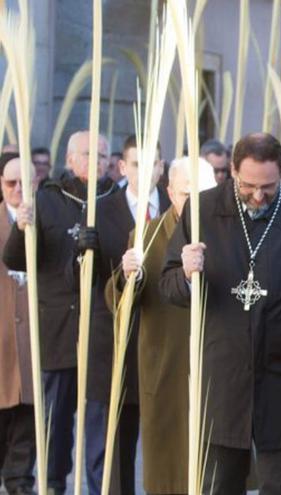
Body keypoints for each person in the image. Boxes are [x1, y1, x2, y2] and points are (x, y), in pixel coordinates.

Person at [160, 133, 281, 494]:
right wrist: (186, 272)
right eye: (248, 185)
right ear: (232, 171)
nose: (258, 195)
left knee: (279, 485)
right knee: (219, 485)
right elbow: (169, 287)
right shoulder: (202, 210)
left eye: (268, 186)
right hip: (222, 378)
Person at [2, 131, 116, 494]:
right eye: (88, 154)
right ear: (69, 159)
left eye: (102, 155)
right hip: (57, 329)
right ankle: (52, 485)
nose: (96, 162)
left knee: (98, 422)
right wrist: (23, 228)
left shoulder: (114, 201)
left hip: (100, 331)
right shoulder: (48, 200)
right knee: (53, 423)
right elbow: (17, 259)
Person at [105, 156, 214, 495]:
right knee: (168, 475)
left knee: (214, 474)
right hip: (165, 369)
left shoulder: (229, 237)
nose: (195, 204)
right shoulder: (146, 236)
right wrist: (127, 276)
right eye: (186, 194)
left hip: (215, 372)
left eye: (204, 194)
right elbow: (117, 302)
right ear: (169, 192)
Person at [85, 135, 171, 495]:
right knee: (117, 443)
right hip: (115, 341)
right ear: (122, 167)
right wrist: (83, 255)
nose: (145, 171)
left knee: (166, 439)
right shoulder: (100, 211)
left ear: (162, 168)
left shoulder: (175, 208)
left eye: (153, 163)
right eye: (137, 163)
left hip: (163, 342)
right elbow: (85, 284)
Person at [0, 153, 35, 495]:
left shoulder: (45, 222)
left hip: (31, 352)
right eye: (11, 183)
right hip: (1, 349)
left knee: (23, 463)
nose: (18, 190)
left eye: (25, 182)